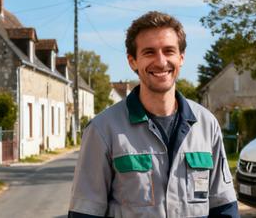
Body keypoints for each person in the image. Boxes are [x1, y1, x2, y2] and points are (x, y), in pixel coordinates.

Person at [68, 11, 238, 217]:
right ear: (132, 61)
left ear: (181, 58)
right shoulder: (103, 130)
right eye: (149, 52)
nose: (160, 61)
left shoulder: (206, 124)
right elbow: (85, 213)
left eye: (169, 51)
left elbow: (224, 207)